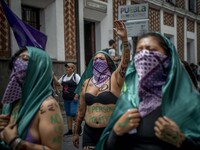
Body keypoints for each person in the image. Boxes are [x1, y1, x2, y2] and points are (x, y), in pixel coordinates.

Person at [96, 32, 200, 150]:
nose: (144, 55)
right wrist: (116, 132)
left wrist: (181, 140)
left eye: (151, 49)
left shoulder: (189, 103)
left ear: (168, 57)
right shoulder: (128, 99)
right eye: (139, 51)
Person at [73, 20, 130, 150]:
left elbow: (125, 63)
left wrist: (124, 40)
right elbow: (81, 111)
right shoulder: (87, 83)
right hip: (89, 133)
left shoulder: (115, 80)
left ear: (108, 63)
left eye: (102, 59)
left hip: (110, 132)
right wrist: (76, 132)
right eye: (95, 59)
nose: (98, 61)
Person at [0, 46, 64, 150]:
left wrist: (15, 142)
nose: (18, 63)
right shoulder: (11, 102)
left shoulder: (47, 106)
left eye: (25, 59)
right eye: (18, 59)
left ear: (39, 67)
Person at [58, 63, 81, 136]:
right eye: (66, 67)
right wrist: (53, 76)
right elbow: (58, 83)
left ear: (73, 69)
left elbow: (80, 86)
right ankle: (70, 130)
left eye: (68, 67)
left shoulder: (75, 76)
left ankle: (78, 128)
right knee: (68, 115)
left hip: (73, 98)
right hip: (66, 99)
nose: (67, 69)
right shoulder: (64, 76)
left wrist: (77, 95)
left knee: (73, 113)